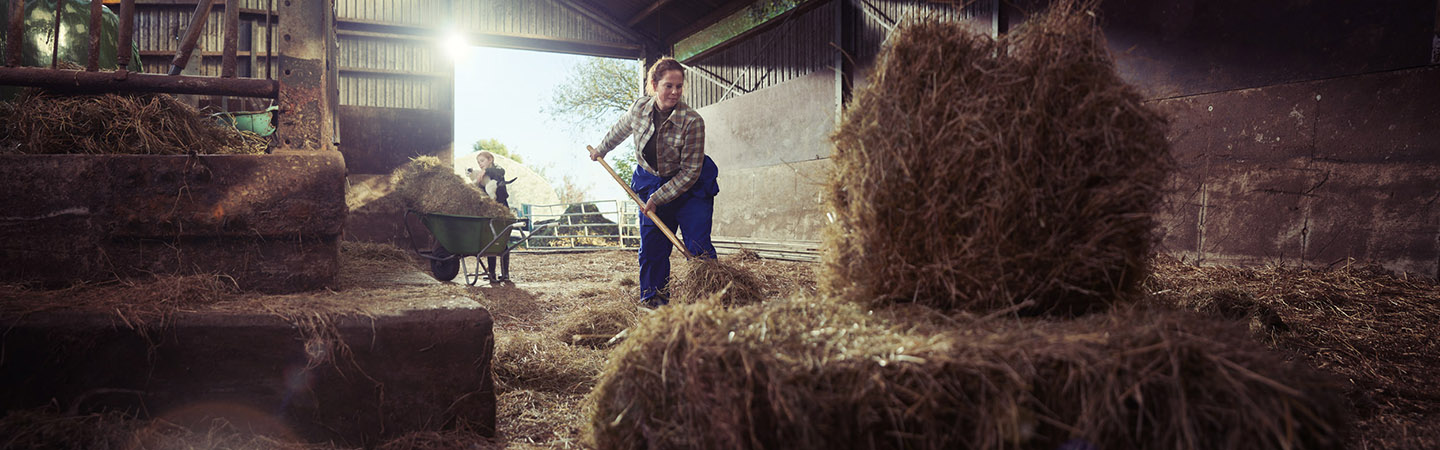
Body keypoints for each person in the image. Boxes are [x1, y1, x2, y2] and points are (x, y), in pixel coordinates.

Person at [588, 57, 719, 307]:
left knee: (697, 245)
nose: (674, 92)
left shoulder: (692, 121)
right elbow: (621, 128)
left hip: (690, 187)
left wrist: (657, 199)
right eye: (668, 86)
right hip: (650, 180)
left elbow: (690, 172)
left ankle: (711, 302)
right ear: (654, 85)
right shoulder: (639, 108)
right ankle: (654, 300)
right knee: (652, 247)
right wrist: (602, 149)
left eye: (679, 86)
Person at [475, 151, 514, 282]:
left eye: (482, 161)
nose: (480, 164)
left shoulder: (497, 171)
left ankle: (505, 273)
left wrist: (485, 171)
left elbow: (499, 173)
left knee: (502, 241)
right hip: (490, 210)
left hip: (501, 209)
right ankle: (491, 273)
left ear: (490, 159)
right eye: (478, 162)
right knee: (490, 240)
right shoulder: (483, 177)